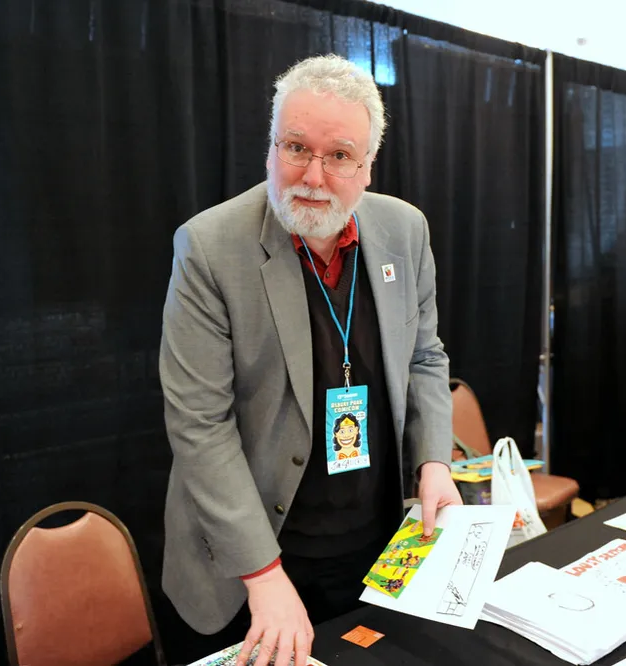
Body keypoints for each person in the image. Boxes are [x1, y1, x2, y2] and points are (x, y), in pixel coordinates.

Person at [158, 54, 462, 666]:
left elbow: (426, 357)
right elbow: (200, 425)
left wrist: (433, 460)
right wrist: (263, 574)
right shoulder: (209, 248)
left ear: (368, 167)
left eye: (340, 155)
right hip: (253, 559)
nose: (313, 176)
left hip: (375, 544)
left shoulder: (405, 231)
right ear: (271, 145)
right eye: (296, 147)